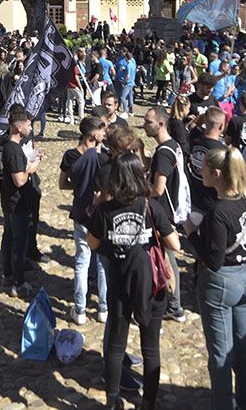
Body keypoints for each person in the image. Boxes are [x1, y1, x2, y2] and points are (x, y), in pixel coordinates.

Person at [87, 152, 180, 410]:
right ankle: (147, 403)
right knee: (150, 348)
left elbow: (92, 244)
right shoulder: (151, 206)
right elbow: (175, 243)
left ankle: (113, 401)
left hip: (119, 281)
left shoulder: (105, 209)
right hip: (150, 283)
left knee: (116, 346)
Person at [186, 147, 246, 409]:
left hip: (222, 282)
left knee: (221, 353)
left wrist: (192, 233)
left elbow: (213, 260)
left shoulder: (219, 211)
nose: (200, 172)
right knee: (245, 346)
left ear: (216, 174)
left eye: (204, 169)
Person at [143, 106, 189, 322]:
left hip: (163, 213)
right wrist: (143, 156)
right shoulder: (171, 146)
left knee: (166, 260)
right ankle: (173, 303)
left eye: (148, 122)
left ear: (161, 124)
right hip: (169, 212)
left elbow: (158, 189)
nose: (144, 125)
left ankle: (173, 305)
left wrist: (137, 191)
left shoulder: (163, 152)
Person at [61, 115, 108, 324]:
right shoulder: (102, 157)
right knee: (102, 263)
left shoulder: (70, 156)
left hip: (80, 212)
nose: (105, 134)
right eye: (102, 131)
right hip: (99, 214)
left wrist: (81, 188)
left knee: (82, 261)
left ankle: (79, 310)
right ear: (93, 134)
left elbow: (63, 184)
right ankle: (103, 308)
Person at [0, 106, 39, 298]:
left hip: (8, 200)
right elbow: (20, 179)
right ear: (19, 127)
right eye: (29, 125)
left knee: (9, 238)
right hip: (17, 202)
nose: (31, 128)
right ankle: (18, 282)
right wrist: (32, 167)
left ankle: (8, 275)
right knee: (18, 243)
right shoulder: (13, 150)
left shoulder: (5, 143)